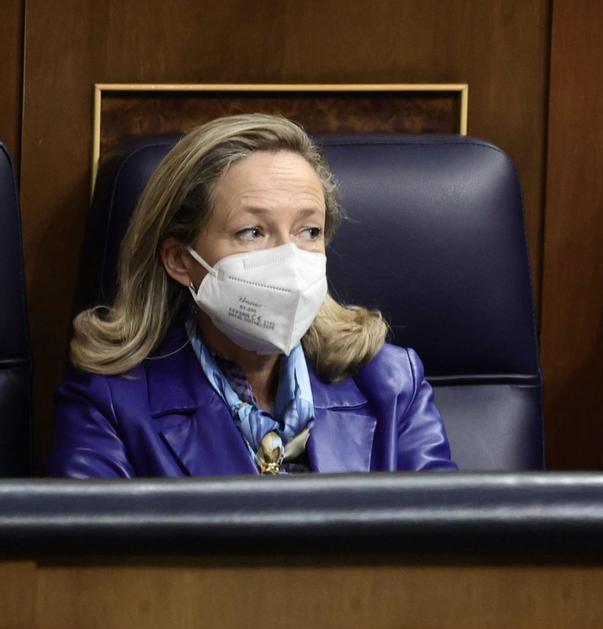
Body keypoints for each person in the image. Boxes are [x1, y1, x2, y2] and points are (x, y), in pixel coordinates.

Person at [49, 114, 456, 477]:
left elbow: (446, 547)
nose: (289, 258)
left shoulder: (391, 382)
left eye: (309, 231)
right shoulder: (110, 403)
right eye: (253, 232)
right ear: (180, 260)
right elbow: (90, 559)